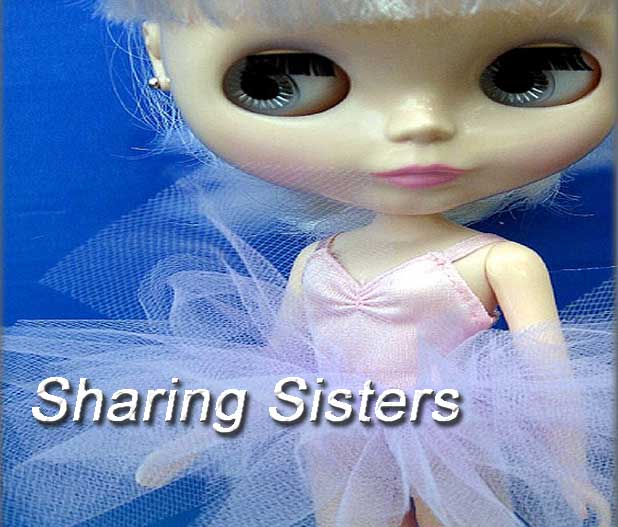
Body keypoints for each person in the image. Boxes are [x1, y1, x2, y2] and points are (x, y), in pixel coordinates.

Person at [4, 1, 615, 526]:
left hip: (452, 433)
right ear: (160, 54)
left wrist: (570, 471)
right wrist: (197, 436)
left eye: (529, 74)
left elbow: (549, 382)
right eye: (279, 78)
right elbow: (279, 368)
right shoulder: (316, 260)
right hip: (335, 430)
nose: (421, 126)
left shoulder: (501, 260)